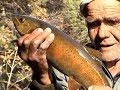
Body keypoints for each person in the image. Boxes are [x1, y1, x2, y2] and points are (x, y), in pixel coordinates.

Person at [17, 0, 120, 89]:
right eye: (93, 24)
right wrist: (43, 78)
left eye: (113, 22)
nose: (102, 34)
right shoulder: (57, 70)